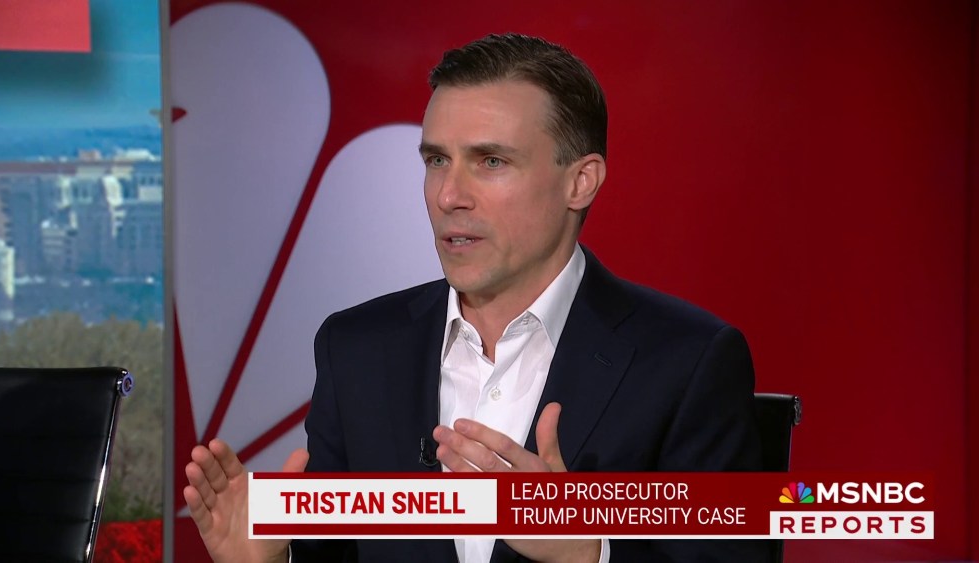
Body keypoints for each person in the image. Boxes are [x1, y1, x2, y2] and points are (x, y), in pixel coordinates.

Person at [185, 33, 770, 563]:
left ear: (580, 181)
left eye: (491, 161)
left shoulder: (685, 362)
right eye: (437, 160)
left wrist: (587, 552)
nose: (448, 195)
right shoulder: (355, 349)